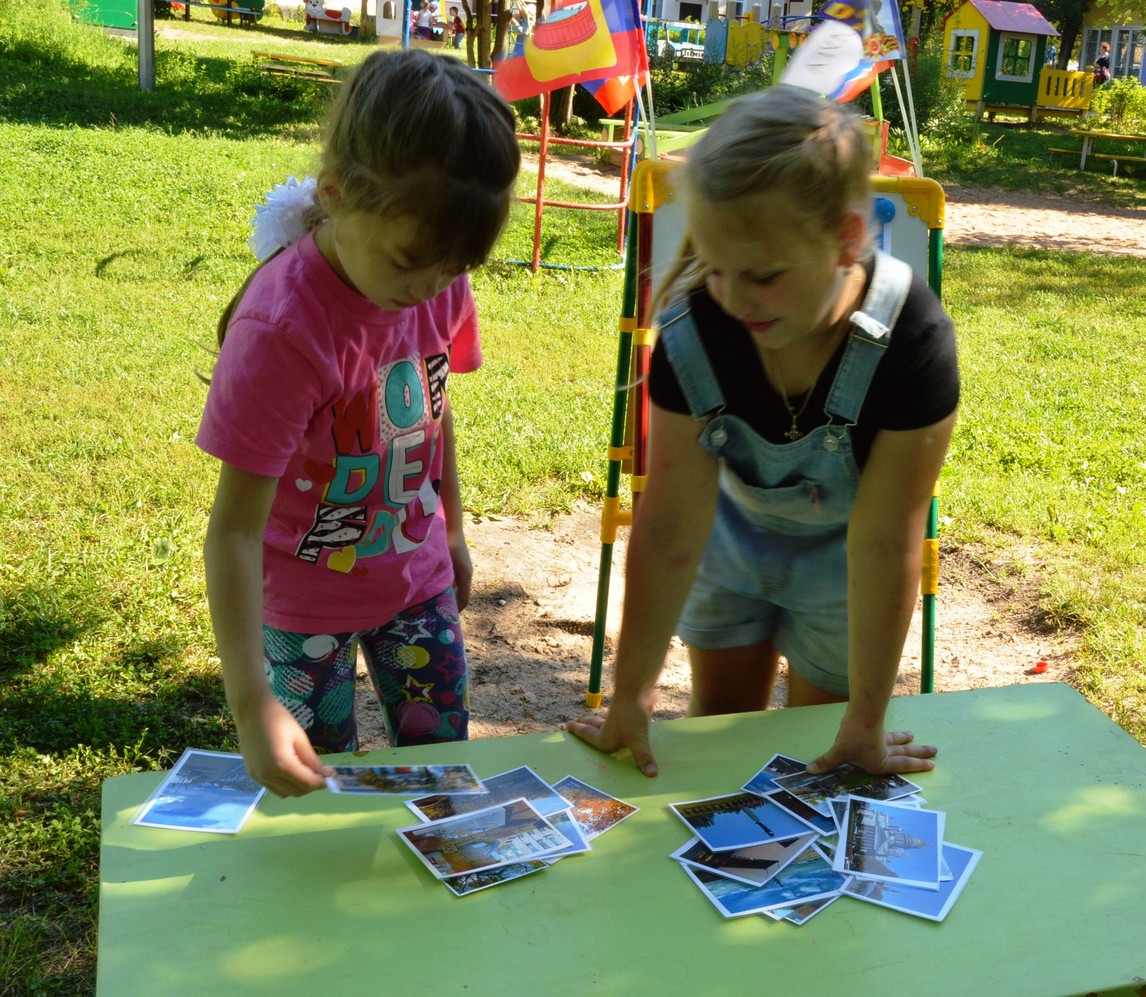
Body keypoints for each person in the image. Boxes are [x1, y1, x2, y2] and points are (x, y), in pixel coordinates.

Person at [568, 86, 959, 778]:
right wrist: (629, 695)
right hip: (729, 546)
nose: (736, 299)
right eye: (715, 269)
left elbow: (884, 538)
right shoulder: (698, 330)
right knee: (723, 743)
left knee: (823, 756)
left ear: (845, 238)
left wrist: (865, 724)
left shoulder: (913, 342)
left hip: (848, 566)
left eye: (763, 275)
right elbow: (667, 526)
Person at [199, 49, 521, 798]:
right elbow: (234, 531)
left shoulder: (437, 279)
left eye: (457, 266)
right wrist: (252, 706)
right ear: (338, 194)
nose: (433, 287)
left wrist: (452, 529)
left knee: (442, 778)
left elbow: (435, 409)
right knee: (320, 787)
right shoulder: (284, 330)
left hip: (417, 581)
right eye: (413, 261)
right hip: (306, 609)